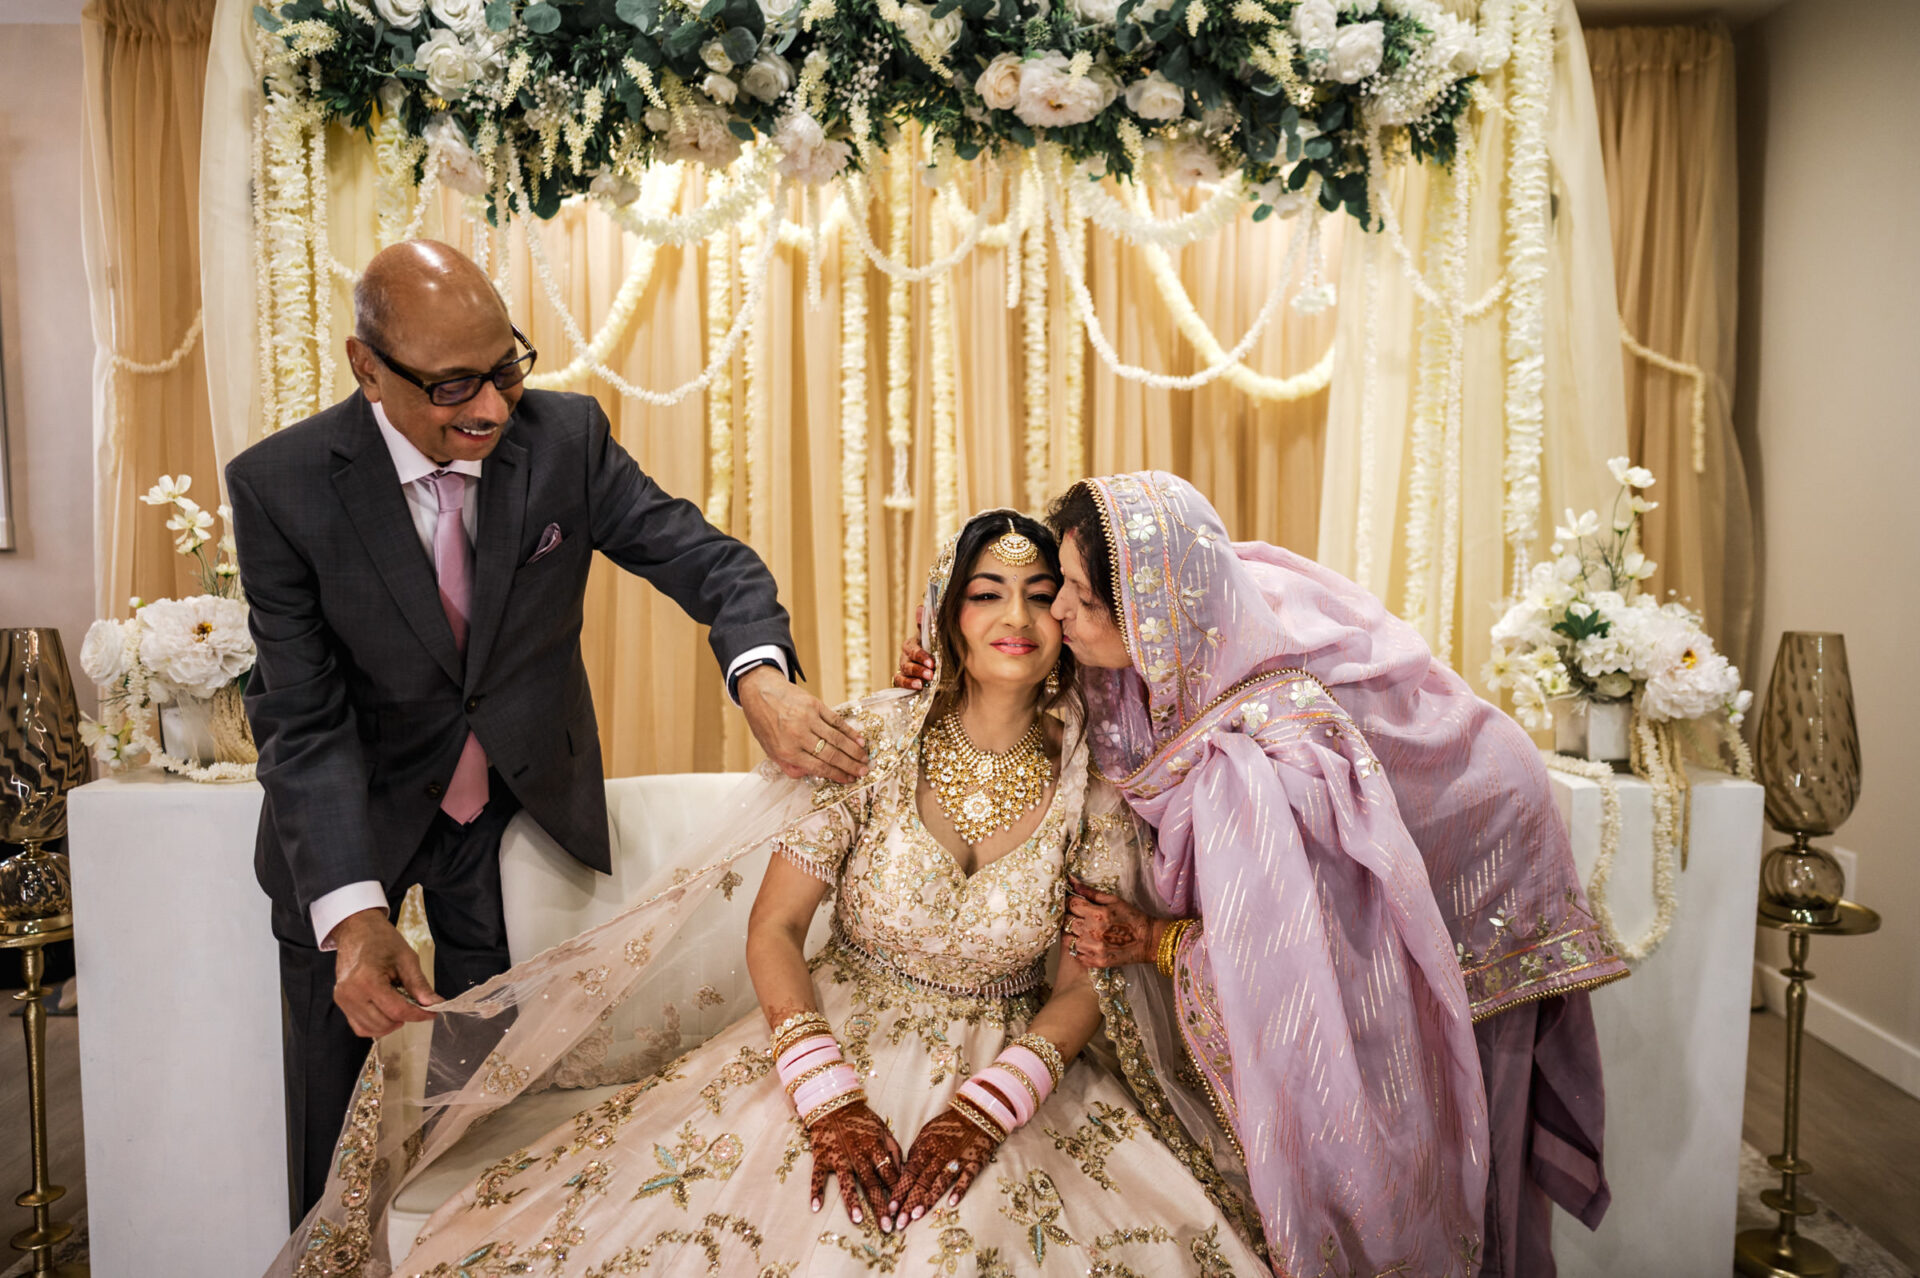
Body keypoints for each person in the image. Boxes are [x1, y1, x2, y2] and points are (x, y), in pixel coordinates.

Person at [269, 510, 1287, 1276]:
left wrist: (988, 1108)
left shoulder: (1095, 782)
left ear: (1070, 618)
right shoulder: (872, 739)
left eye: (1037, 595)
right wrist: (826, 1093)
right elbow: (777, 930)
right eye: (985, 592)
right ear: (946, 608)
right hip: (827, 1046)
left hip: (1013, 1064)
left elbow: (1082, 982)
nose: (1014, 617)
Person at [227, 239, 866, 1222]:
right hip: (352, 828)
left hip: (510, 819)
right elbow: (302, 720)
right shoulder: (283, 486)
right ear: (366, 368)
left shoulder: (562, 438)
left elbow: (712, 565)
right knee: (333, 1126)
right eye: (451, 387)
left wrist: (761, 679)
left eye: (506, 367)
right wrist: (354, 919)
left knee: (485, 1114)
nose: (489, 408)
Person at [898, 472, 1629, 1277]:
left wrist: (1157, 941)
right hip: (1433, 826)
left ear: (1142, 610)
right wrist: (943, 672)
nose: (1055, 612)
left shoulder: (1248, 763)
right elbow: (1037, 675)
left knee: (1460, 1141)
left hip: (1475, 851)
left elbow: (1293, 966)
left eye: (1073, 594)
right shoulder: (1196, 612)